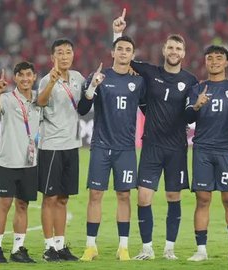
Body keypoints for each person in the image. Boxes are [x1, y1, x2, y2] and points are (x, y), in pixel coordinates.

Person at [113, 9, 198, 260]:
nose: (174, 52)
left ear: (184, 54)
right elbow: (122, 58)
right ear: (164, 51)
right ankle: (147, 248)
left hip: (176, 148)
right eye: (170, 48)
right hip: (151, 146)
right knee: (143, 198)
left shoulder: (191, 81)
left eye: (178, 49)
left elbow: (192, 112)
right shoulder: (150, 73)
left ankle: (169, 248)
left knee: (173, 196)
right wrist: (118, 33)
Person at [78, 36, 146, 261]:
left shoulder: (139, 82)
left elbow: (149, 110)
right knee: (95, 194)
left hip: (126, 148)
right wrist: (92, 87)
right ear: (113, 53)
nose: (124, 52)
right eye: (120, 49)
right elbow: (83, 108)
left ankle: (123, 247)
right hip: (101, 145)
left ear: (133, 55)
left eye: (128, 49)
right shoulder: (99, 76)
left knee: (124, 195)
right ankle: (90, 247)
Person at [185, 45, 228, 262]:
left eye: (219, 58)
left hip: (227, 151)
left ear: (227, 62)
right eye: (210, 58)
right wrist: (196, 105)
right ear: (205, 62)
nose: (214, 61)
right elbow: (187, 119)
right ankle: (201, 250)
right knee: (202, 200)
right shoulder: (196, 89)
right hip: (202, 150)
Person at [36, 38, 88, 262]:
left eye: (68, 52)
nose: (65, 56)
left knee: (64, 199)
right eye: (60, 52)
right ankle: (49, 247)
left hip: (72, 146)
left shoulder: (78, 78)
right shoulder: (47, 79)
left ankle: (60, 246)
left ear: (73, 55)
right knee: (50, 198)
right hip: (52, 147)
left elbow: (88, 100)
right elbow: (40, 102)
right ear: (52, 57)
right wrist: (51, 83)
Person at [0, 62, 40, 264]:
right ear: (15, 78)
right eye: (21, 75)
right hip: (8, 161)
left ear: (34, 77)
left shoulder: (39, 99)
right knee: (4, 204)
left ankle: (18, 249)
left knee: (23, 205)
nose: (25, 78)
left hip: (29, 161)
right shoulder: (8, 99)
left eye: (29, 74)